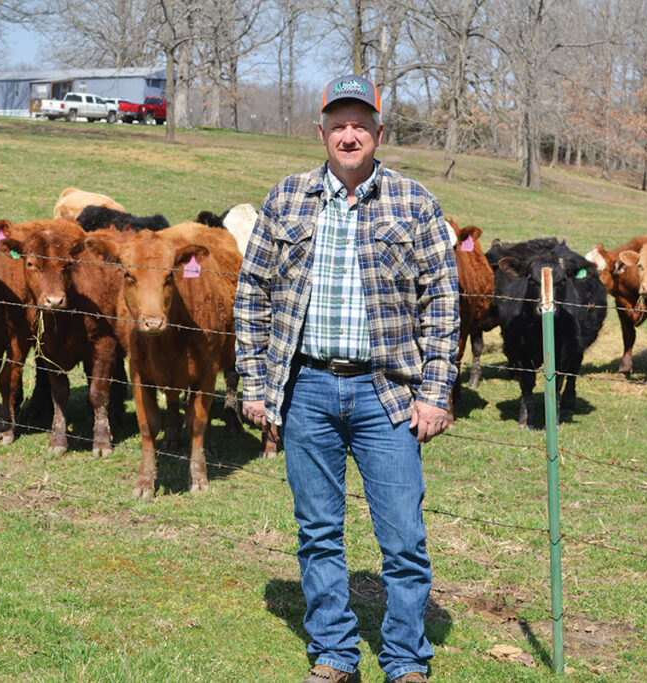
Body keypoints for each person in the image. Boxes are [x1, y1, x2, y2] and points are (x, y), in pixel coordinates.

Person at [234, 74, 459, 683]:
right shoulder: (287, 198)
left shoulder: (413, 202)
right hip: (305, 387)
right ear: (322, 131)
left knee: (404, 538)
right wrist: (255, 384)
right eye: (339, 123)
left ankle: (406, 660)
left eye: (361, 123)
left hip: (385, 393)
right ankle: (333, 655)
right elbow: (252, 293)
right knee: (318, 532)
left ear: (379, 132)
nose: (350, 134)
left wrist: (435, 394)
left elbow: (442, 302)